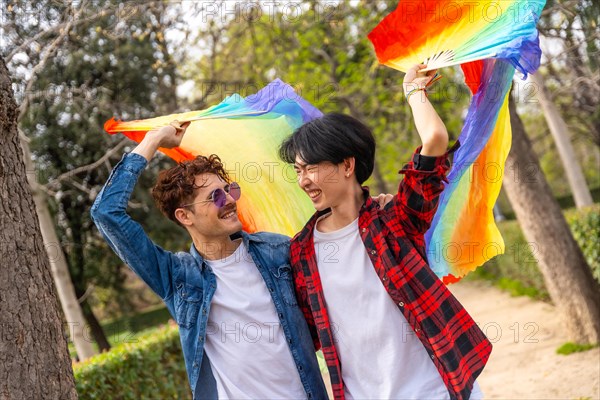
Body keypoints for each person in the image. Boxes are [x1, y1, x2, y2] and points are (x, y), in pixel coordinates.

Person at [278, 65, 491, 400]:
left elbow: (434, 141)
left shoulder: (396, 219)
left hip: (435, 389)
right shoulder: (300, 252)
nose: (303, 180)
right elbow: (302, 332)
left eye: (312, 168)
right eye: (298, 171)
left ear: (347, 166)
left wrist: (413, 91)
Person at [90, 121, 329, 399]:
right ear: (185, 216)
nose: (228, 200)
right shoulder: (177, 277)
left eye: (229, 190)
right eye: (214, 196)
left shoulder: (276, 250)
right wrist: (153, 140)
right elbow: (107, 212)